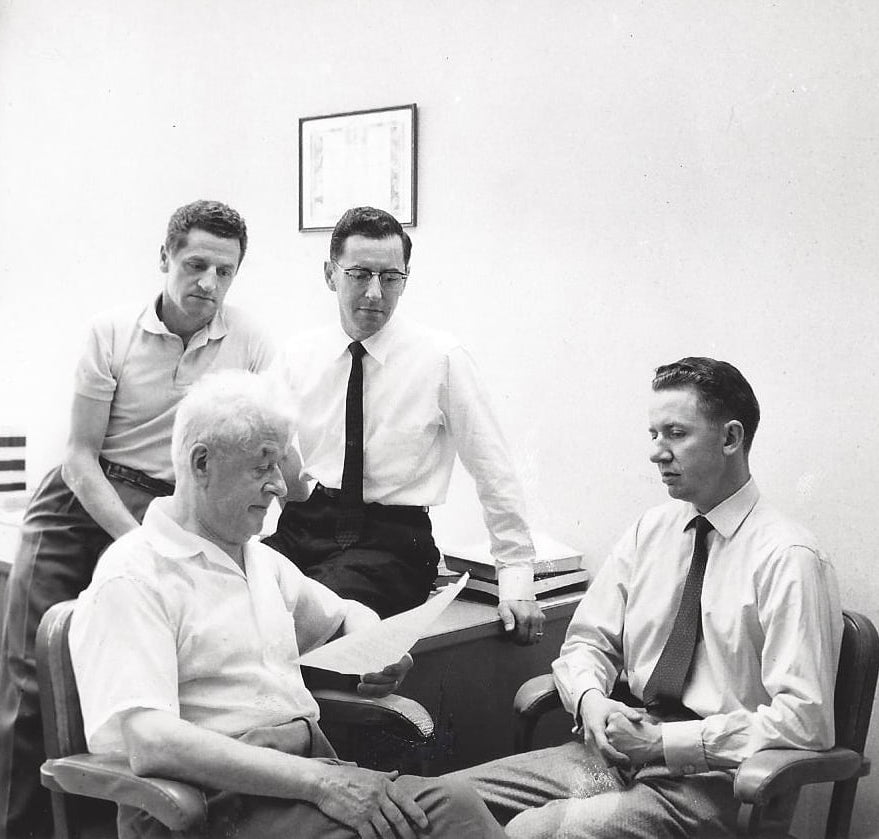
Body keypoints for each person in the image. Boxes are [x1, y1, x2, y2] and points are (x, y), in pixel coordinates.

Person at [68, 370, 506, 839]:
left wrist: (376, 645)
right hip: (211, 803)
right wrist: (321, 783)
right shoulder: (135, 575)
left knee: (453, 808)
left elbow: (342, 615)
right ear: (201, 464)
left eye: (280, 465)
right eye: (263, 466)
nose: (281, 485)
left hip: (301, 780)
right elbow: (152, 743)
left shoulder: (259, 561)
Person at [452, 357, 843, 838]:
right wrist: (592, 701)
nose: (657, 453)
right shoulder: (652, 531)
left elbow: (805, 720)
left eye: (675, 433)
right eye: (654, 435)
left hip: (709, 781)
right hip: (609, 758)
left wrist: (664, 742)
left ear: (730, 438)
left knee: (535, 833)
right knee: (438, 803)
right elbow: (587, 643)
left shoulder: (788, 556)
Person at [0, 200, 274, 839]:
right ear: (165, 259)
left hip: (176, 503)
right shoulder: (111, 330)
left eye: (225, 271)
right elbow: (79, 458)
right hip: (84, 500)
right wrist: (144, 544)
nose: (208, 282)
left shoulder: (252, 340)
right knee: (34, 676)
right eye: (196, 264)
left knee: (142, 687)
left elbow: (260, 449)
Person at [264, 206, 544, 644]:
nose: (375, 293)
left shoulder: (441, 358)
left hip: (391, 542)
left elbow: (493, 471)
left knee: (311, 613)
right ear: (329, 274)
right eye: (359, 274)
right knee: (226, 589)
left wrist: (517, 580)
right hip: (308, 525)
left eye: (391, 277)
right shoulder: (299, 354)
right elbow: (269, 448)